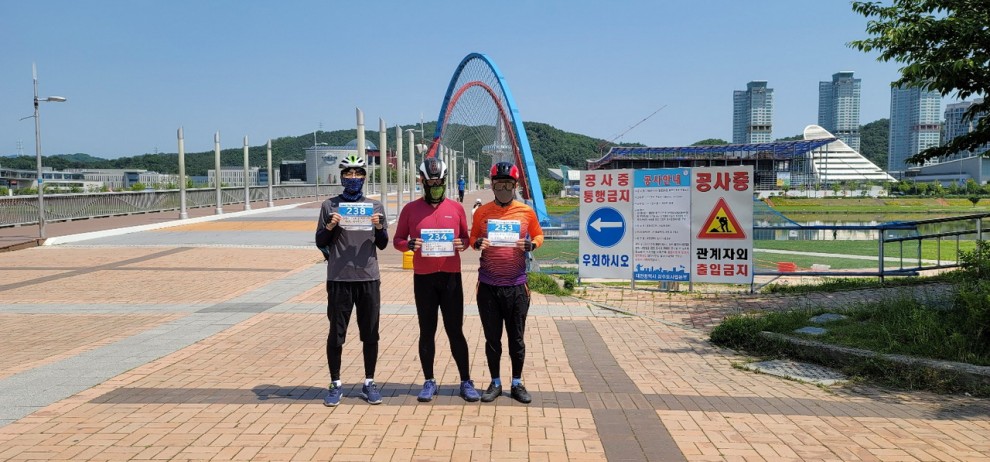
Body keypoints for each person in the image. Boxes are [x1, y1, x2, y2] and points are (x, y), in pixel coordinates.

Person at [393, 157, 481, 403]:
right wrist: (409, 244)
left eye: (439, 183)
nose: (435, 187)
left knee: (455, 330)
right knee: (427, 330)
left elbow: (466, 239)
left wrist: (463, 244)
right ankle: (429, 380)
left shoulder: (456, 208)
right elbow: (397, 240)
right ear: (422, 182)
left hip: (451, 277)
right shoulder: (410, 209)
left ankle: (466, 380)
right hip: (424, 279)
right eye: (431, 183)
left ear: (445, 182)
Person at [315, 155, 389, 407]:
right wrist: (330, 226)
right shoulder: (330, 205)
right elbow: (320, 242)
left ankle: (369, 382)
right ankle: (335, 383)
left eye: (358, 174)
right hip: (339, 278)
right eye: (348, 173)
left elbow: (383, 244)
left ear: (365, 177)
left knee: (370, 333)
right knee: (336, 333)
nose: (353, 178)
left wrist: (379, 227)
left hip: (368, 277)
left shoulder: (375, 207)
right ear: (342, 177)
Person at [469, 162, 544, 404]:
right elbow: (472, 237)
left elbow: (539, 234)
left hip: (517, 285)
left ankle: (517, 382)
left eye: (508, 184)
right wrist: (477, 243)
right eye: (499, 184)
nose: (504, 188)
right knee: (492, 339)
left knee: (516, 338)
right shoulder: (482, 212)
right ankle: (495, 382)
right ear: (492, 185)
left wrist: (532, 245)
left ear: (515, 186)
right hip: (488, 285)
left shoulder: (526, 212)